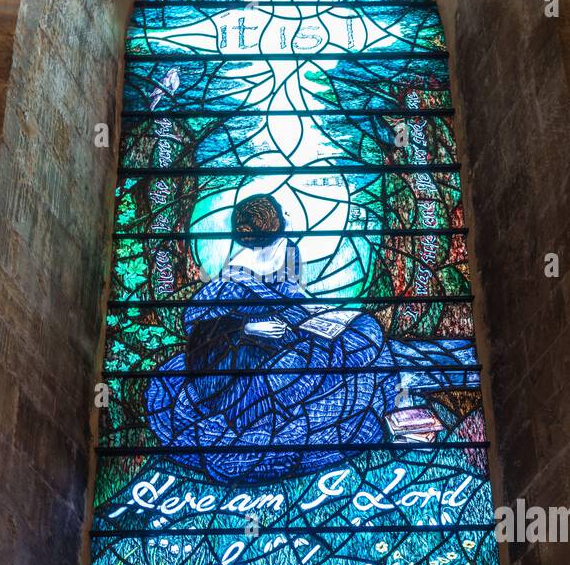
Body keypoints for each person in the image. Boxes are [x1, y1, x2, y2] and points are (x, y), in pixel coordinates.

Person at [145, 195, 473, 485]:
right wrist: (247, 330)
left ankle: (462, 366)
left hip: (294, 347)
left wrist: (314, 311)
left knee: (367, 340)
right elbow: (202, 336)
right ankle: (434, 379)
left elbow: (295, 299)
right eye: (280, 216)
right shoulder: (231, 281)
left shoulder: (288, 252)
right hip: (245, 376)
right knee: (364, 365)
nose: (287, 219)